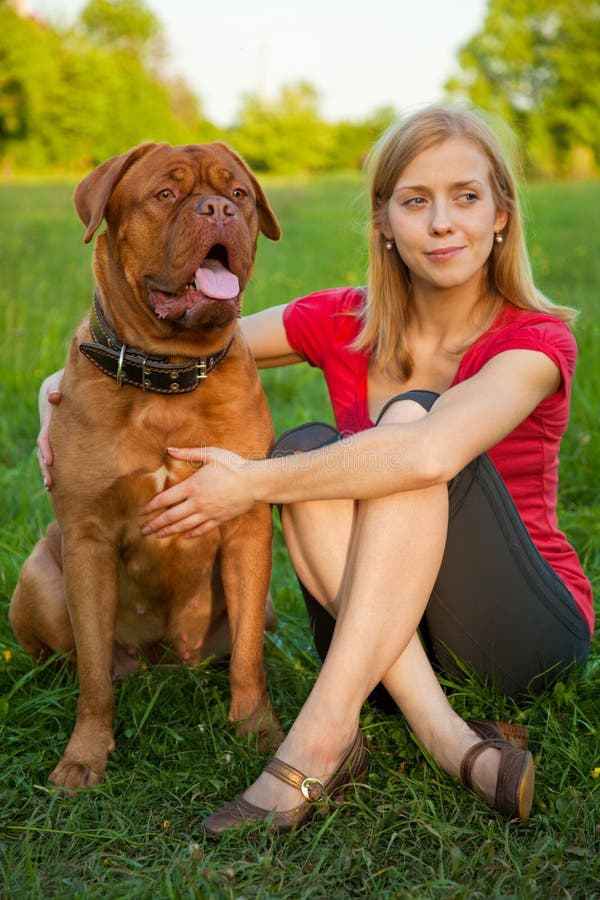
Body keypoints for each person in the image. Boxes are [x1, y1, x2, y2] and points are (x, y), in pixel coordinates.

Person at [38, 106, 593, 835]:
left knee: (406, 425)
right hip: (379, 632)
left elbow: (427, 453)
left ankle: (325, 739)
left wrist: (252, 483)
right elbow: (165, 343)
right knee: (303, 446)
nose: (442, 222)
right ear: (384, 221)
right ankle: (444, 731)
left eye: (466, 197)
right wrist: (62, 387)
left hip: (520, 633)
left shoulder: (535, 341)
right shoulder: (343, 320)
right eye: (415, 200)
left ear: (501, 217)